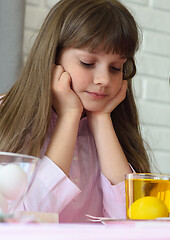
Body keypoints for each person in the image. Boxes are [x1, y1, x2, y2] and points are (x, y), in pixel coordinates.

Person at [0, 0, 151, 223]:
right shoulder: (7, 114)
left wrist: (101, 120)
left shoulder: (114, 128)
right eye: (87, 62)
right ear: (53, 58)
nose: (104, 80)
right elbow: (23, 221)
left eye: (115, 68)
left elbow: (132, 222)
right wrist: (69, 117)